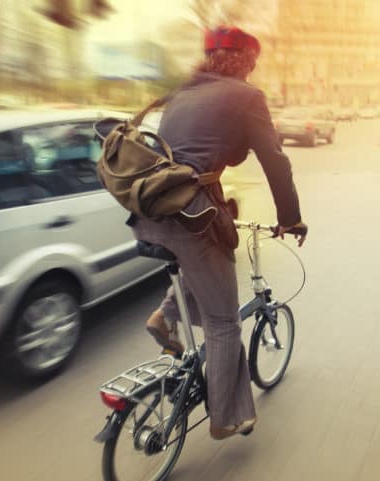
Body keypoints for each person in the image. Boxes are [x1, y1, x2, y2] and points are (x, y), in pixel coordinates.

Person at [129, 26, 306, 441]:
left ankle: (165, 316)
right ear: (243, 61)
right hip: (193, 213)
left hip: (152, 212)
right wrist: (291, 217)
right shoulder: (247, 97)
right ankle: (225, 417)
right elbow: (275, 162)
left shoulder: (181, 94)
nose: (253, 69)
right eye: (253, 62)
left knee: (200, 263)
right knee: (224, 321)